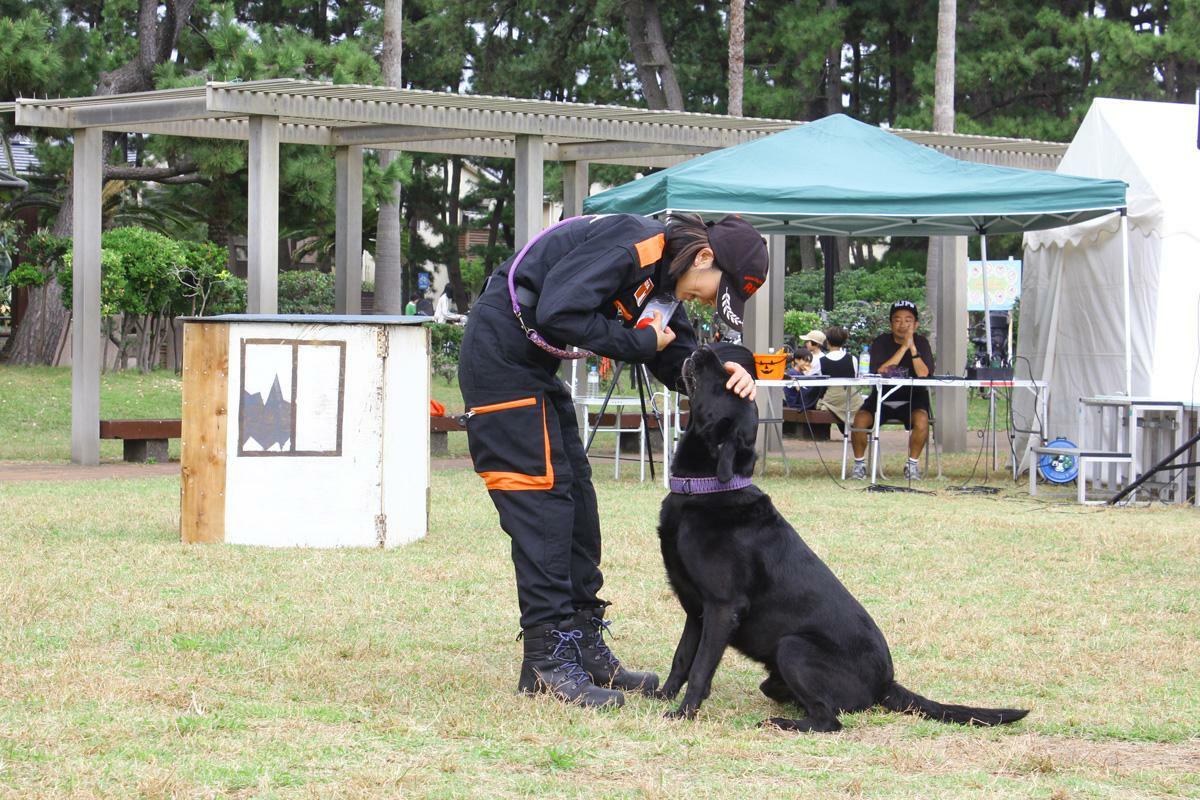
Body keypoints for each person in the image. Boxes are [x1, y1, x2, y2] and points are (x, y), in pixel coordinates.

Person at [458, 212, 767, 708]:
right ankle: (545, 659)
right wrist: (641, 342)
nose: (708, 302)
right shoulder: (636, 244)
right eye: (715, 291)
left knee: (578, 502)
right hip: (501, 363)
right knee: (544, 509)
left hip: (535, 370)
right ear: (704, 257)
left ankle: (581, 645)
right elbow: (559, 312)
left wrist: (733, 371)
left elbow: (679, 360)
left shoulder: (666, 280)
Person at [849, 301, 934, 480]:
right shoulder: (881, 342)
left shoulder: (922, 342)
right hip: (882, 396)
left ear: (916, 324)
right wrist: (903, 347)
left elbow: (924, 373)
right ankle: (859, 465)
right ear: (891, 324)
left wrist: (912, 347)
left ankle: (912, 465)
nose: (902, 325)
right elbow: (881, 370)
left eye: (908, 320)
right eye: (897, 320)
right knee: (859, 420)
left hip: (913, 398)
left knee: (922, 420)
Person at [815, 326, 865, 424]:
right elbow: (854, 378)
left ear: (827, 341)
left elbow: (820, 384)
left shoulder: (821, 361)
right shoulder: (853, 359)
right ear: (843, 342)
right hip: (850, 397)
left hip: (832, 399)